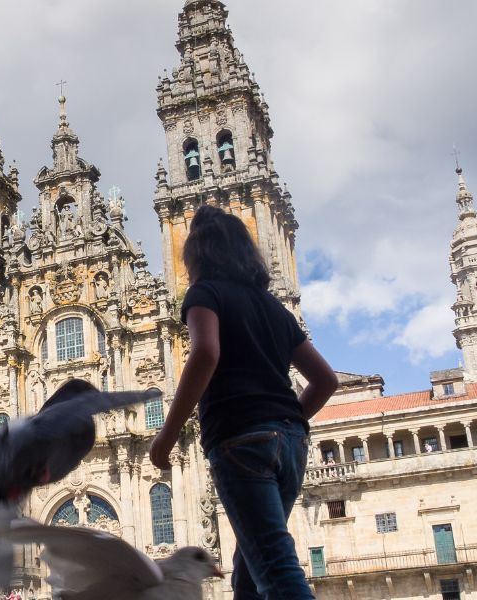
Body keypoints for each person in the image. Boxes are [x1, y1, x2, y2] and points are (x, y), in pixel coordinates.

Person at [149, 205, 337, 600]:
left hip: (240, 440)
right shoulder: (275, 309)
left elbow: (204, 354)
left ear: (197, 254)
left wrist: (166, 437)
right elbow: (325, 380)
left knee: (274, 567)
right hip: (290, 444)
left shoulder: (205, 293)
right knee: (249, 572)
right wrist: (285, 422)